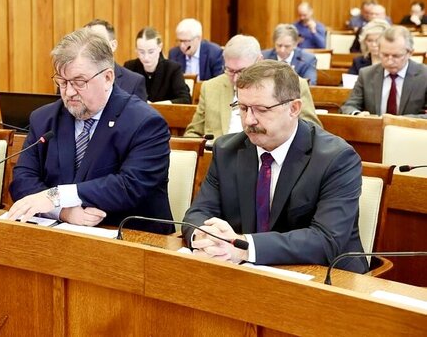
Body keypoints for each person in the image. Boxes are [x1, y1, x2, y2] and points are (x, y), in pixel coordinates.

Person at [183, 60, 367, 273]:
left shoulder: (336, 158)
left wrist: (243, 247)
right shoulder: (227, 150)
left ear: (294, 108)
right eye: (243, 108)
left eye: (261, 110)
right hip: (244, 272)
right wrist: (206, 237)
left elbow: (326, 239)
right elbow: (199, 213)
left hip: (326, 277)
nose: (249, 120)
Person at [6, 28, 174, 234]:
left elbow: (130, 186)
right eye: (62, 82)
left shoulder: (145, 123)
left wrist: (57, 196)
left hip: (134, 238)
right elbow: (23, 180)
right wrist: (63, 212)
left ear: (108, 78)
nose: (69, 92)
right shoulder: (44, 119)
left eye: (79, 82)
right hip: (61, 236)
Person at [184, 35, 321, 141]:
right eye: (230, 70)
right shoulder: (211, 87)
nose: (236, 79)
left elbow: (312, 131)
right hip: (219, 157)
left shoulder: (292, 83)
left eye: (242, 71)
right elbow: (193, 132)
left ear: (259, 61)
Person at [340, 26, 427, 116]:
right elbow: (349, 106)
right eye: (385, 55)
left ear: (410, 53)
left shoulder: (424, 75)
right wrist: (357, 114)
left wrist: (400, 121)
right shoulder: (366, 74)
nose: (389, 61)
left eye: (396, 56)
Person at [123, 26, 191, 104]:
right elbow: (121, 97)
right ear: (136, 49)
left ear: (160, 47)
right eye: (141, 52)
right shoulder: (129, 67)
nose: (146, 57)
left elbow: (185, 100)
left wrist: (158, 105)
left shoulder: (172, 69)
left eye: (151, 52)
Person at [85, 19, 148, 101]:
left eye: (98, 41)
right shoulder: (74, 79)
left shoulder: (134, 82)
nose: (92, 47)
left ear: (113, 45)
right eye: (87, 42)